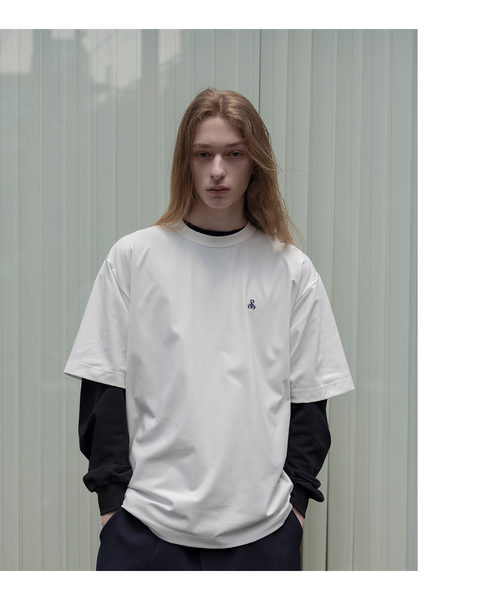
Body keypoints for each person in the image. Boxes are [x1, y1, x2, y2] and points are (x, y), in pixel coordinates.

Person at [64, 88, 354, 571]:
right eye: (204, 154)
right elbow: (103, 390)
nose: (218, 170)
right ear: (186, 161)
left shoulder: (291, 270)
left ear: (255, 162)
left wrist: (296, 511)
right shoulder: (134, 258)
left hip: (263, 535)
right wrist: (112, 507)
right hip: (145, 529)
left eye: (233, 154)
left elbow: (310, 403)